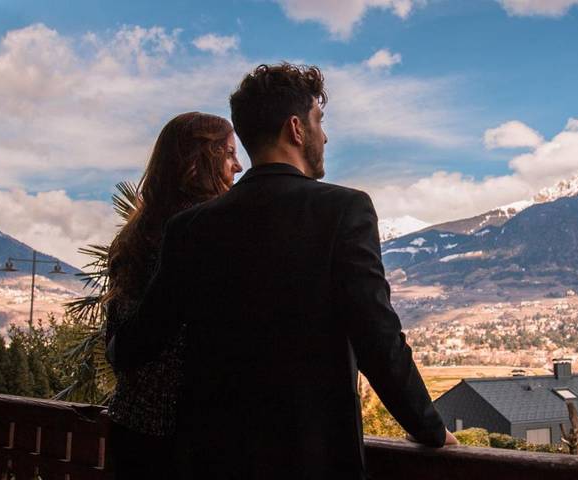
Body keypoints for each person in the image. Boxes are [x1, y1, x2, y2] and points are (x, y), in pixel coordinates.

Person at [108, 63, 457, 479]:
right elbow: (377, 338)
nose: (324, 136)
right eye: (318, 121)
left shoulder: (190, 227)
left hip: (210, 461)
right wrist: (431, 429)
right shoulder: (343, 210)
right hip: (310, 458)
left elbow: (138, 343)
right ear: (296, 128)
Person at [104, 112, 242, 479]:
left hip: (130, 423)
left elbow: (117, 335)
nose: (239, 165)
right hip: (185, 435)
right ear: (204, 159)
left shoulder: (135, 235)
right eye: (229, 153)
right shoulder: (208, 233)